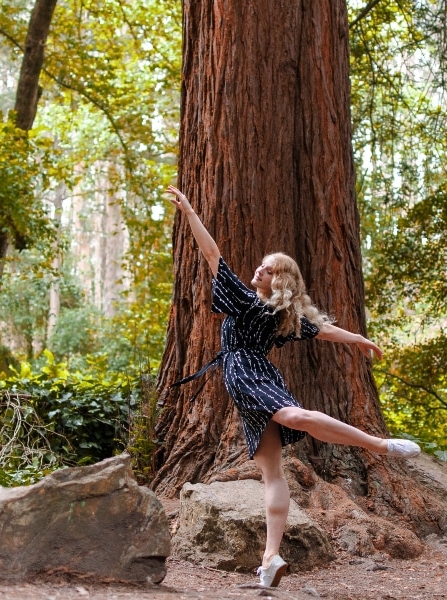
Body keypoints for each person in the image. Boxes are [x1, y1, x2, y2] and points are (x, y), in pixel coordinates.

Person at [165, 185, 420, 588]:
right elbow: (212, 256)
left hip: (256, 374)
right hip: (244, 374)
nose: (258, 270)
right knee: (291, 422)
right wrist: (191, 214)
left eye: (267, 269)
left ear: (279, 279)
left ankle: (269, 559)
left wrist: (360, 340)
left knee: (274, 471)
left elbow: (322, 330)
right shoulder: (244, 299)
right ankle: (379, 446)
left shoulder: (279, 314)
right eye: (260, 266)